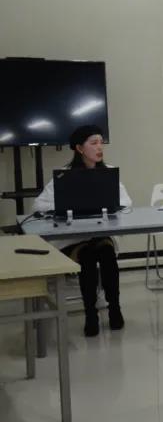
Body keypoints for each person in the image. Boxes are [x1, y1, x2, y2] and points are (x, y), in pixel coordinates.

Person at [33, 125, 132, 337]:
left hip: (100, 235)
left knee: (106, 253)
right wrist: (64, 206)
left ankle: (114, 308)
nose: (100, 147)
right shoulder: (65, 176)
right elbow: (39, 205)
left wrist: (111, 206)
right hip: (74, 240)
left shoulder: (108, 173)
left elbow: (126, 202)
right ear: (79, 148)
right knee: (87, 256)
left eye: (101, 143)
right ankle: (90, 314)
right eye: (94, 143)